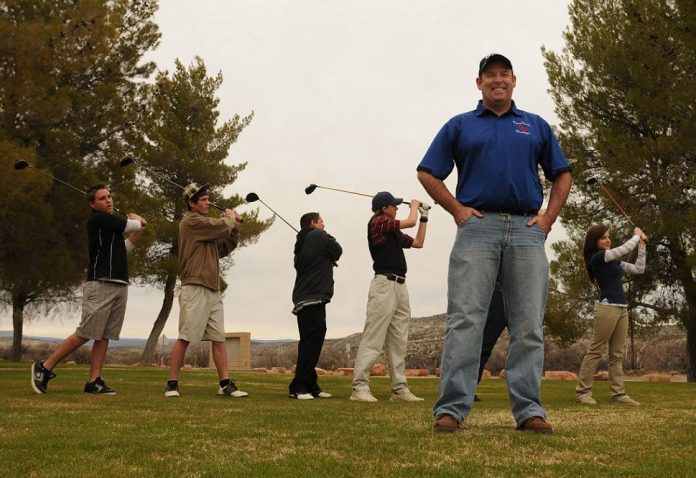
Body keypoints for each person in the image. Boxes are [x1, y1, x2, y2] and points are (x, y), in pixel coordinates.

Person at [417, 53, 572, 433]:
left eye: (504, 75)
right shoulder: (460, 126)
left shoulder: (535, 126)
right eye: (490, 75)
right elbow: (427, 172)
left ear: (514, 81)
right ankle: (451, 409)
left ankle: (530, 410)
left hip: (526, 229)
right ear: (479, 83)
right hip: (477, 228)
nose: (498, 80)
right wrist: (456, 209)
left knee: (528, 323)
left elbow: (562, 173)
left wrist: (548, 218)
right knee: (465, 320)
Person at [31, 184, 146, 395]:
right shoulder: (98, 219)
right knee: (86, 332)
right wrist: (137, 221)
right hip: (100, 284)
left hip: (119, 284)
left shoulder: (111, 229)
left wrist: (139, 227)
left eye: (110, 196)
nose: (108, 200)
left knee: (104, 335)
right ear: (93, 204)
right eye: (102, 198)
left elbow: (127, 246)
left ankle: (94, 381)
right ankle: (45, 367)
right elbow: (131, 225)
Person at [164, 183, 248, 398]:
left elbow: (223, 248)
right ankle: (172, 383)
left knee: (218, 338)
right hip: (194, 286)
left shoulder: (206, 230)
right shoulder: (191, 222)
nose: (208, 202)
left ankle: (225, 384)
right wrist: (229, 218)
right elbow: (219, 226)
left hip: (212, 287)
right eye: (203, 199)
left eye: (208, 198)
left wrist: (235, 229)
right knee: (186, 336)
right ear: (191, 204)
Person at [350, 192, 429, 402]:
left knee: (398, 340)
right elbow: (409, 222)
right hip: (383, 285)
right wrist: (414, 206)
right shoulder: (378, 222)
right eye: (394, 206)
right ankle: (359, 387)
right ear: (385, 208)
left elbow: (419, 242)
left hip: (400, 286)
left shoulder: (393, 230)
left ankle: (399, 389)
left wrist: (424, 216)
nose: (396, 208)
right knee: (374, 337)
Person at [576, 225, 646, 406]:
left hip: (622, 308)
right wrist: (636, 237)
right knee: (596, 350)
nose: (608, 240)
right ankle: (583, 393)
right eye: (603, 238)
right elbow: (624, 249)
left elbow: (639, 269)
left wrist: (642, 246)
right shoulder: (599, 257)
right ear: (595, 242)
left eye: (609, 237)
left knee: (617, 354)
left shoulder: (613, 260)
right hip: (607, 308)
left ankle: (619, 394)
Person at [288, 212, 343, 400]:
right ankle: (298, 386)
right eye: (321, 222)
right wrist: (328, 243)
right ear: (313, 223)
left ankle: (311, 384)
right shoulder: (318, 235)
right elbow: (338, 250)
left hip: (305, 297)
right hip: (312, 297)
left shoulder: (302, 242)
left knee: (309, 342)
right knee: (311, 343)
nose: (324, 225)